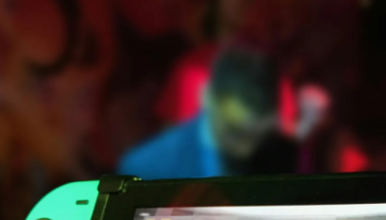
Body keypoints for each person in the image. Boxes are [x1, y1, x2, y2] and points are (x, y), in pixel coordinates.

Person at [119, 46, 298, 179]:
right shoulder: (147, 168)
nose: (247, 148)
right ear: (207, 97)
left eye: (258, 133)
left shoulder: (283, 157)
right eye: (235, 131)